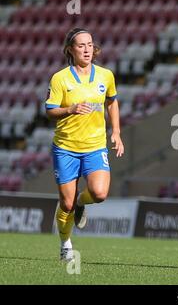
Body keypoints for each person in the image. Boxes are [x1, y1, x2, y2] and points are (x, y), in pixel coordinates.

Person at [45, 28, 124, 261]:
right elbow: (50, 111)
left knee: (99, 193)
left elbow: (112, 102)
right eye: (81, 45)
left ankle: (82, 202)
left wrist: (117, 131)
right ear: (71, 49)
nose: (87, 49)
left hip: (95, 145)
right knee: (65, 203)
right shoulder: (60, 78)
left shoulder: (105, 75)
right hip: (66, 147)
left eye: (90, 44)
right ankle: (65, 244)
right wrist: (70, 109)